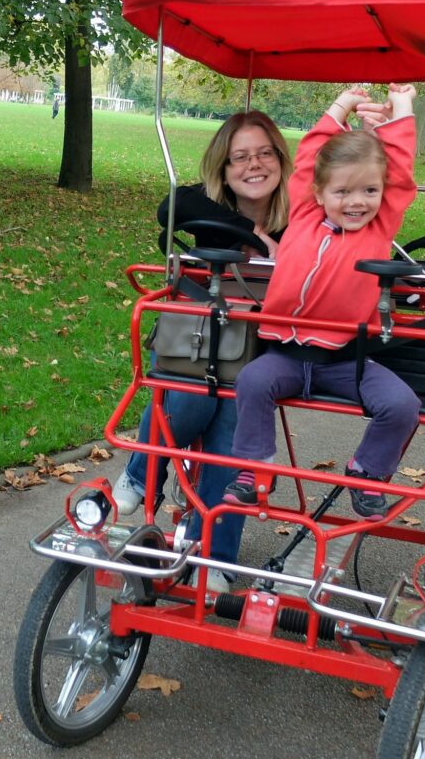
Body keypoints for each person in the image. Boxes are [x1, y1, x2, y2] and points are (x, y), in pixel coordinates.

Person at [224, 85, 422, 521]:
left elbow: (401, 172)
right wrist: (341, 105)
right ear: (317, 192)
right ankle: (253, 469)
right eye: (343, 193)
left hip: (345, 361)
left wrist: (402, 110)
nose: (357, 202)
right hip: (286, 356)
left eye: (369, 191)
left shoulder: (379, 226)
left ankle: (367, 471)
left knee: (403, 405)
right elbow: (313, 153)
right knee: (253, 382)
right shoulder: (306, 213)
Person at [112, 110, 292, 590]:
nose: (253, 166)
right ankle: (140, 472)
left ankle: (213, 557)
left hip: (259, 352)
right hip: (193, 344)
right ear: (224, 167)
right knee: (195, 397)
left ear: (280, 158)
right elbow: (170, 206)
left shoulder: (300, 219)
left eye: (263, 153)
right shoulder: (205, 207)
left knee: (232, 428)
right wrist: (250, 237)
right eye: (240, 157)